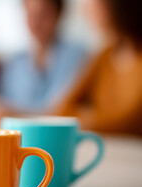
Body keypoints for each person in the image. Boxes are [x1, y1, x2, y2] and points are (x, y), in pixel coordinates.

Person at [55, 0, 142, 135]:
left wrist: (88, 118)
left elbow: (128, 121)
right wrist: (90, 117)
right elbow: (61, 109)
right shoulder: (103, 56)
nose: (85, 8)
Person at [0, 0, 86, 114]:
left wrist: (18, 113)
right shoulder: (13, 64)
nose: (36, 22)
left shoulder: (79, 58)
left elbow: (64, 108)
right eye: (30, 14)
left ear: (58, 14)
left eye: (43, 14)